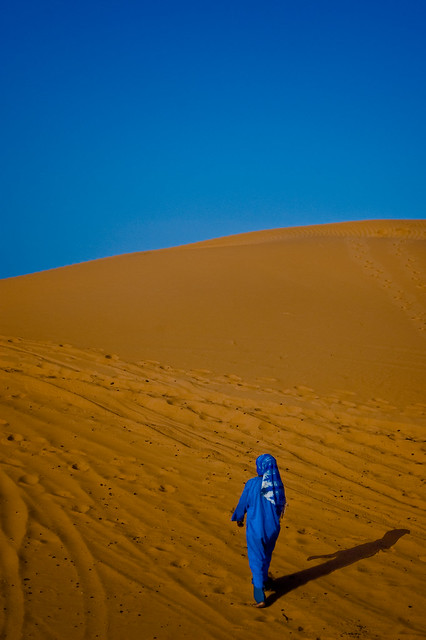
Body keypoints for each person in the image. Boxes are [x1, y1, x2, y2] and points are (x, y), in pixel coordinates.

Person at [231, 453, 286, 607]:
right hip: (272, 529)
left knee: (256, 557)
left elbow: (243, 503)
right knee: (266, 555)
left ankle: (259, 595)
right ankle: (266, 581)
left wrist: (239, 517)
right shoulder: (277, 485)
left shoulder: (252, 483)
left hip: (256, 529)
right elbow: (280, 506)